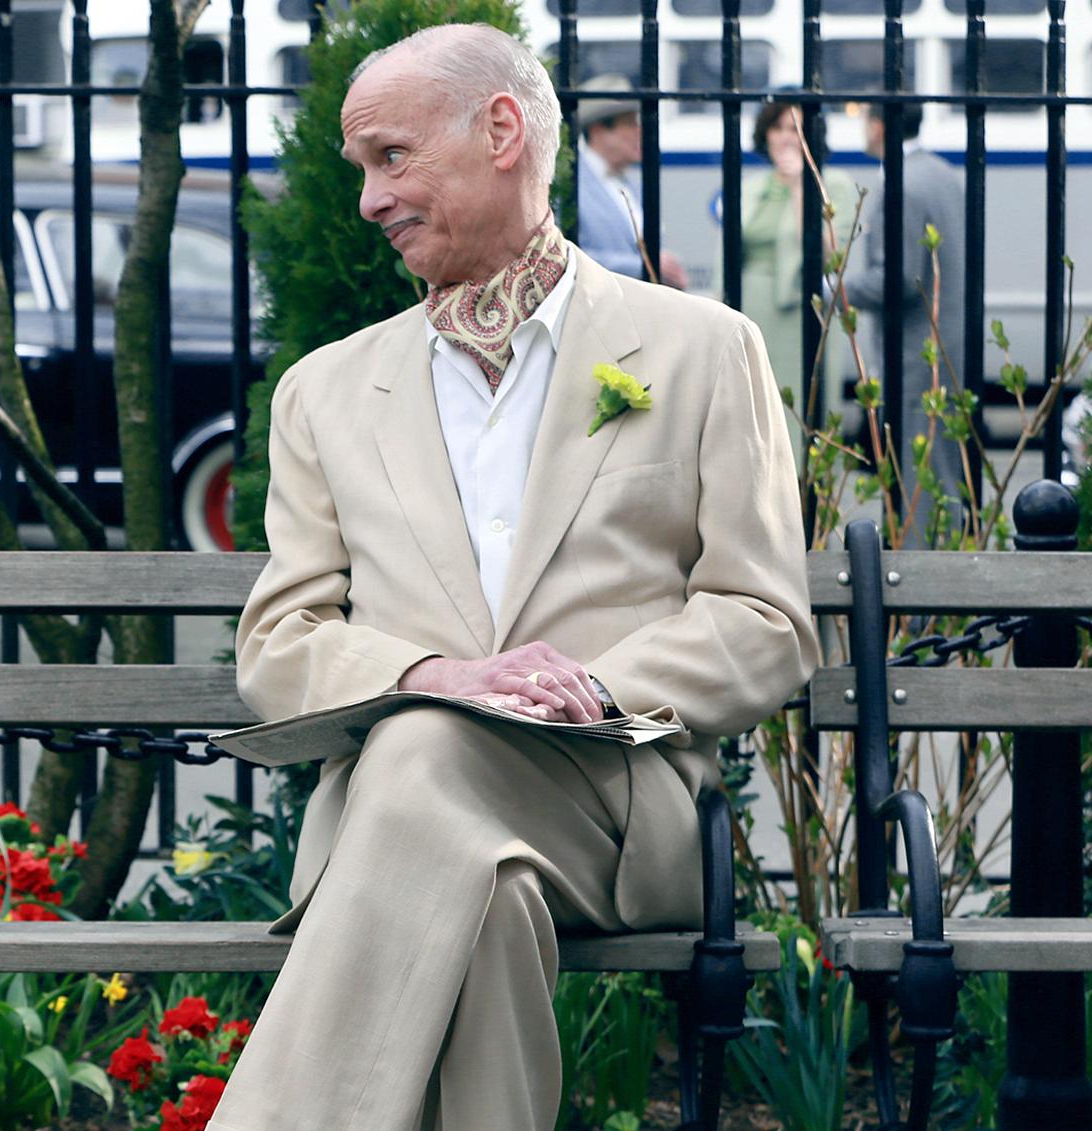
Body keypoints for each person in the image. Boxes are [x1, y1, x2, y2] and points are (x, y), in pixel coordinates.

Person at [207, 24, 817, 1130]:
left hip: (619, 802)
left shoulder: (702, 350)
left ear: (499, 131)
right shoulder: (323, 393)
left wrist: (587, 690)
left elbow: (764, 618)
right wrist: (440, 673)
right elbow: (280, 643)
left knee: (425, 748)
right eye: (361, 171)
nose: (367, 202)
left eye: (391, 158)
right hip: (415, 817)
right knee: (481, 888)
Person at [843, 100, 969, 541]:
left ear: (879, 127)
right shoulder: (939, 173)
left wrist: (834, 287)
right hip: (949, 343)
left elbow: (896, 279)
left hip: (915, 353)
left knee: (918, 483)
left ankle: (922, 601)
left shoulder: (900, 184)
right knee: (946, 476)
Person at [725, 97, 859, 433]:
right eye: (778, 128)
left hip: (802, 312)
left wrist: (801, 186)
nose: (786, 137)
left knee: (804, 412)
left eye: (795, 129)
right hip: (751, 312)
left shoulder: (835, 184)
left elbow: (831, 256)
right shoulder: (752, 187)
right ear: (765, 135)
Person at [573, 73, 688, 289]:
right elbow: (568, 254)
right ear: (598, 130)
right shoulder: (574, 183)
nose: (640, 132)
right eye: (629, 124)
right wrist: (644, 265)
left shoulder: (628, 182)